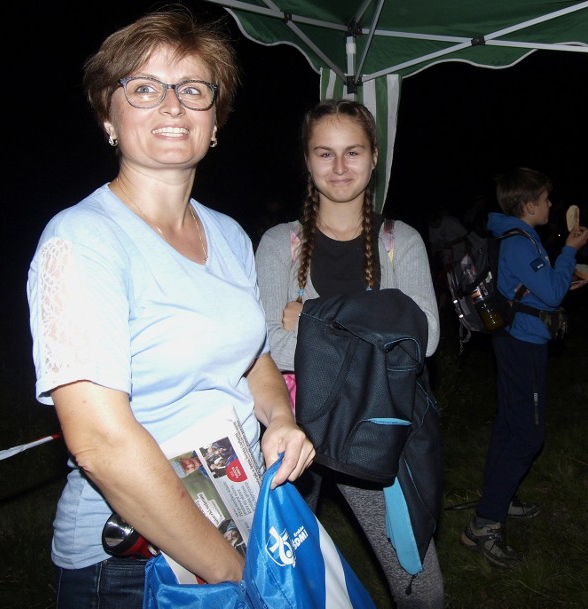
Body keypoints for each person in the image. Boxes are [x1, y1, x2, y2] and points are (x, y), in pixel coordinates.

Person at [25, 8, 315, 607]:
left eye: (192, 89)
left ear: (215, 122)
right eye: (145, 88)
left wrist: (281, 418)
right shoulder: (82, 240)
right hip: (135, 565)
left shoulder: (229, 233)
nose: (173, 105)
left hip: (239, 515)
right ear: (109, 116)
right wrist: (239, 576)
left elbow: (253, 354)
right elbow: (101, 444)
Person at [254, 99, 444, 607]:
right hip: (291, 434)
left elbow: (424, 340)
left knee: (422, 587)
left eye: (353, 152)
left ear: (375, 156)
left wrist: (313, 318)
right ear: (307, 160)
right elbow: (269, 344)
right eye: (325, 153)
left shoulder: (398, 241)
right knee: (281, 584)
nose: (339, 168)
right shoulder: (280, 244)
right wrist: (379, 320)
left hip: (376, 429)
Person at [461, 167, 588, 568]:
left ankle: (500, 496)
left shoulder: (514, 235)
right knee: (528, 436)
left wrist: (561, 277)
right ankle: (484, 525)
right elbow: (549, 294)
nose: (551, 204)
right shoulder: (519, 241)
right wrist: (569, 252)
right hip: (522, 343)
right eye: (547, 199)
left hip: (515, 337)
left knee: (510, 425)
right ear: (529, 205)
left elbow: (538, 285)